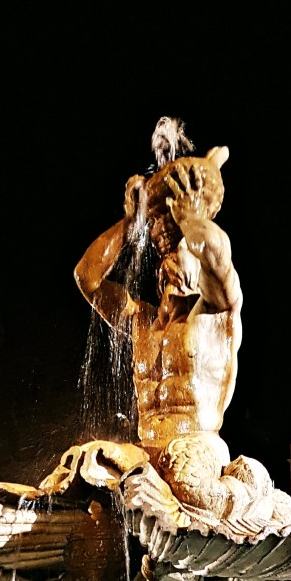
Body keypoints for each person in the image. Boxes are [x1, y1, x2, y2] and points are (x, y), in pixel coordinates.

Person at [73, 123, 245, 517]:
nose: (170, 254)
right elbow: (87, 276)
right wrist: (130, 223)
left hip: (197, 453)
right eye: (165, 251)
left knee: (182, 486)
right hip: (145, 455)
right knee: (85, 465)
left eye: (181, 247)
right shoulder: (139, 321)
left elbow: (217, 253)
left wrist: (192, 216)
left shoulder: (217, 311)